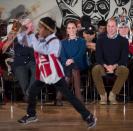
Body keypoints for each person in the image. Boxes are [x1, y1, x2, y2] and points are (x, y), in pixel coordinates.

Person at [16, 17, 96, 128]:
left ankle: (88, 116)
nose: (39, 29)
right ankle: (31, 114)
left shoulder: (55, 41)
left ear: (47, 29)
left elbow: (43, 50)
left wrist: (34, 39)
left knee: (69, 96)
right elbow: (22, 40)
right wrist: (22, 30)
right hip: (44, 74)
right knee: (32, 91)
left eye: (41, 27)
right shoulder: (38, 38)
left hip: (55, 75)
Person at [92, 17, 129, 105]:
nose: (110, 28)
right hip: (103, 66)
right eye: (108, 26)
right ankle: (103, 95)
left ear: (116, 27)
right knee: (95, 69)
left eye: (112, 26)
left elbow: (124, 58)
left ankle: (113, 95)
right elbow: (98, 57)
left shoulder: (124, 41)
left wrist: (114, 66)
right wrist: (106, 66)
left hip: (117, 66)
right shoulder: (100, 40)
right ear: (106, 27)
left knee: (125, 70)